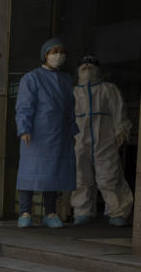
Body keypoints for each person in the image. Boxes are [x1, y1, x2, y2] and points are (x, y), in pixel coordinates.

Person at [14, 38, 78, 228]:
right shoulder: (31, 78)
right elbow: (24, 106)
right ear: (45, 55)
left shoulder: (66, 79)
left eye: (61, 51)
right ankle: (25, 212)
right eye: (53, 51)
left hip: (59, 133)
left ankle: (50, 213)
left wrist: (72, 130)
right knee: (30, 173)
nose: (58, 55)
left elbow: (70, 108)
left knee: (53, 174)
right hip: (36, 134)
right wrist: (24, 129)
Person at [72, 56, 134, 227]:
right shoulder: (74, 92)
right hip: (79, 140)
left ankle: (117, 211)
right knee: (80, 177)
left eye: (91, 65)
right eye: (83, 65)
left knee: (109, 176)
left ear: (98, 69)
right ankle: (82, 211)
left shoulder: (109, 89)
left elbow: (119, 111)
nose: (87, 67)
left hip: (105, 139)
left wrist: (121, 131)